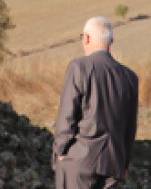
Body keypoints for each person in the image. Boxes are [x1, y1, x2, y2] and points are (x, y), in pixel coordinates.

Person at [52, 16, 139, 188]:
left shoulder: (78, 68)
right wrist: (125, 162)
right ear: (111, 41)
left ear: (86, 38)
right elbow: (130, 127)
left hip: (79, 161)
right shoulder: (130, 77)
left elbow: (67, 116)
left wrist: (60, 151)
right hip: (114, 163)